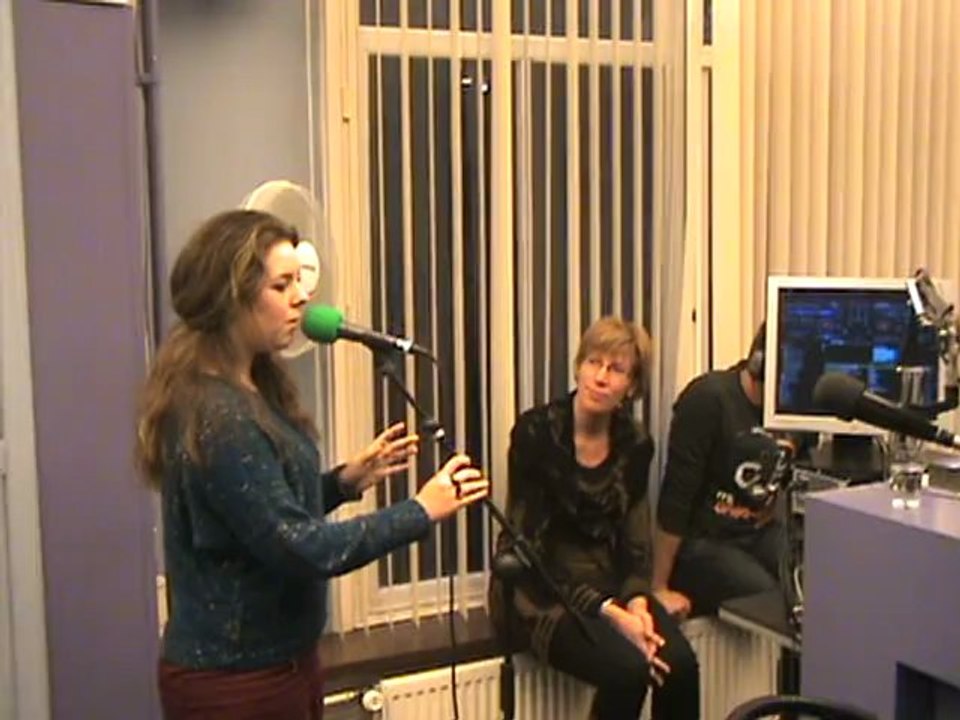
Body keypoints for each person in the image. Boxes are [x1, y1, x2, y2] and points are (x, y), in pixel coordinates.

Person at [136, 209, 489, 719]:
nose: (302, 296)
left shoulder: (252, 387)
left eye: (299, 281)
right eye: (282, 285)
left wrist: (343, 482)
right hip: (235, 684)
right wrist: (419, 510)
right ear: (230, 297)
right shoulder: (219, 414)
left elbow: (254, 517)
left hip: (283, 667)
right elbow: (298, 547)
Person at [490, 317, 700, 720]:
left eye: (616, 369)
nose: (600, 377)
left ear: (632, 387)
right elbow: (530, 550)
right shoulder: (537, 434)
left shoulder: (635, 443)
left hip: (609, 583)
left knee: (679, 667)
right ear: (578, 367)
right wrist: (612, 614)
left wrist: (638, 605)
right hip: (538, 590)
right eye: (593, 363)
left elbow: (636, 544)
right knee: (628, 671)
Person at [652, 322, 792, 618]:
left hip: (757, 532)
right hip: (704, 540)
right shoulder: (708, 399)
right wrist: (658, 587)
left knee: (816, 577)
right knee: (768, 598)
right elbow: (676, 498)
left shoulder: (796, 409)